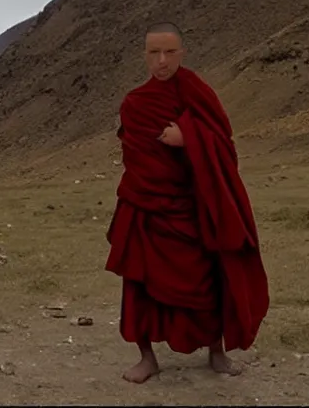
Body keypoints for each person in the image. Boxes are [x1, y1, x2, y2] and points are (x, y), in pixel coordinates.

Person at [105, 22, 270, 384]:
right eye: (154, 53)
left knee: (208, 278)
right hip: (146, 205)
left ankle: (216, 351)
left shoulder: (198, 92)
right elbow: (136, 155)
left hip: (192, 206)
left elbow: (223, 144)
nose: (161, 61)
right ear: (144, 55)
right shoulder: (135, 102)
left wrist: (188, 138)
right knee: (140, 283)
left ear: (182, 53)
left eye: (169, 52)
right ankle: (146, 358)